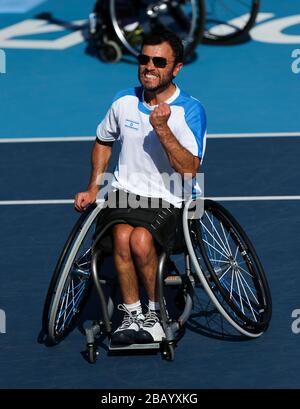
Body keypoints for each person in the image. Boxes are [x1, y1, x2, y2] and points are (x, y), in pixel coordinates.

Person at [74, 30, 207, 346]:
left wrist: (161, 128)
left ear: (176, 69)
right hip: (124, 193)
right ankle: (132, 314)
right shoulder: (123, 101)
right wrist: (93, 187)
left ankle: (155, 312)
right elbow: (103, 141)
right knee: (122, 236)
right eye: (144, 59)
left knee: (141, 239)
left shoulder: (189, 110)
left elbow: (189, 169)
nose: (149, 66)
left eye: (159, 61)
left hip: (169, 197)